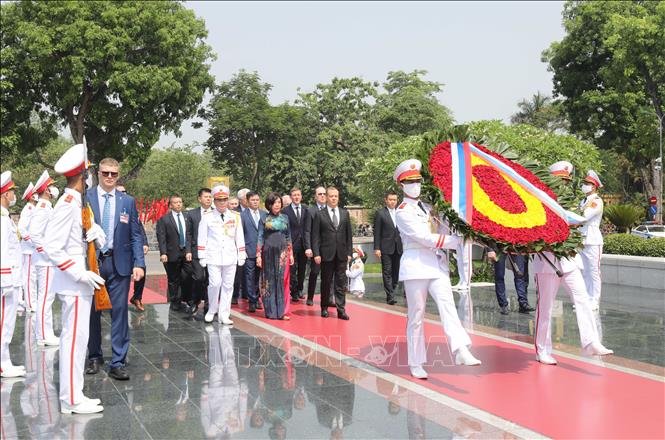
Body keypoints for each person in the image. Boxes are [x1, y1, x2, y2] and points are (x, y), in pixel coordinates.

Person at [393, 159, 481, 379]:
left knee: (447, 305)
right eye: (410, 182)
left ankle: (461, 349)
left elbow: (441, 228)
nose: (415, 185)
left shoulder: (428, 208)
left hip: (435, 264)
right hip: (415, 266)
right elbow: (424, 238)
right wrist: (455, 241)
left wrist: (458, 224)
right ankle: (416, 362)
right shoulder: (402, 211)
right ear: (401, 185)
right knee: (416, 316)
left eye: (418, 181)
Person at [45, 143, 105, 413]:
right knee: (74, 340)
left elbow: (84, 237)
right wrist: (80, 272)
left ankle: (74, 394)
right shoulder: (67, 204)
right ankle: (71, 399)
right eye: (90, 172)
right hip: (74, 283)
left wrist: (96, 234)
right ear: (84, 175)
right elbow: (51, 246)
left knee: (78, 340)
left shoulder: (79, 204)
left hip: (81, 283)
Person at [86, 158, 145, 381]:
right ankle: (94, 356)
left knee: (119, 312)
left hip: (119, 264)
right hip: (94, 263)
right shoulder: (87, 198)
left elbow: (136, 234)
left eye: (114, 174)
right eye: (105, 173)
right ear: (98, 173)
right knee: (92, 312)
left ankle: (118, 361)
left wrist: (139, 263)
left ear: (118, 175)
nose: (109, 177)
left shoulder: (127, 201)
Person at [532, 252, 613, 365]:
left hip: (568, 261)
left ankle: (591, 342)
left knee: (583, 299)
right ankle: (542, 350)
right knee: (545, 307)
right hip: (546, 265)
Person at [198, 185, 246, 324]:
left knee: (228, 285)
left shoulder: (235, 216)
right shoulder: (207, 217)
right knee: (214, 283)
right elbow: (202, 237)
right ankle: (212, 309)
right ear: (214, 201)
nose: (222, 203)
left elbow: (239, 236)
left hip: (230, 256)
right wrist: (202, 255)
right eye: (219, 200)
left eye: (224, 200)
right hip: (213, 256)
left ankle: (224, 313)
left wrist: (241, 254)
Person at [28, 170, 61, 345]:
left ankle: (46, 333)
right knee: (45, 298)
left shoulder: (46, 207)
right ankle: (43, 335)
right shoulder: (42, 208)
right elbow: (34, 234)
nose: (55, 188)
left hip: (47, 260)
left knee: (47, 297)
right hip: (45, 261)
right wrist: (48, 253)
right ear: (47, 190)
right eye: (52, 186)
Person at [1, 171, 27, 378]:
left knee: (8, 323)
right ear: (3, 194)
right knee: (4, 322)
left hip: (12, 278)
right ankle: (2, 363)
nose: (13, 195)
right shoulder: (1, 219)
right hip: (5, 280)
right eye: (11, 192)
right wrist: (6, 280)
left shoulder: (5, 218)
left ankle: (6, 361)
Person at [312, 187, 351, 320]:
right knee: (326, 282)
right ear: (327, 198)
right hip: (326, 254)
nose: (334, 198)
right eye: (331, 196)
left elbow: (348, 236)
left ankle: (341, 310)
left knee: (341, 283)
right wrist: (316, 253)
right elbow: (315, 236)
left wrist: (349, 252)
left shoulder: (344, 213)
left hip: (341, 254)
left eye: (336, 196)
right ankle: (324, 307)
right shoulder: (320, 214)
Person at [257, 192, 294, 320]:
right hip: (268, 253)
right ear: (269, 205)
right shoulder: (264, 218)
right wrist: (258, 256)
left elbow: (288, 236)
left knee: (283, 281)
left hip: (283, 253)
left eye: (279, 202)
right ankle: (271, 311)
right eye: (274, 203)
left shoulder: (285, 218)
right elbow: (260, 237)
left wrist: (291, 254)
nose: (277, 205)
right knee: (269, 282)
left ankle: (283, 312)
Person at [115, 185, 150, 313]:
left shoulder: (129, 206)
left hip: (132, 248)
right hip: (117, 250)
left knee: (141, 270)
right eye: (120, 192)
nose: (123, 194)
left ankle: (137, 297)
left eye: (124, 191)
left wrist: (144, 243)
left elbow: (138, 228)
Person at [156, 194, 193, 314]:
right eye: (176, 202)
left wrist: (188, 250)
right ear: (170, 205)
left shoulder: (187, 217)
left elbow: (189, 236)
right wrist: (163, 253)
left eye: (180, 202)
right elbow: (161, 237)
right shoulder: (164, 219)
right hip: (172, 253)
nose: (178, 204)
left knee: (188, 276)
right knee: (173, 279)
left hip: (185, 253)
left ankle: (186, 299)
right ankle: (175, 301)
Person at [185, 188, 214, 317]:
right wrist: (188, 250)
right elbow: (189, 234)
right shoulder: (192, 214)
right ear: (199, 199)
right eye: (206, 197)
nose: (208, 199)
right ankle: (195, 301)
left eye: (210, 197)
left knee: (211, 279)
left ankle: (209, 304)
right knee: (199, 277)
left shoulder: (217, 213)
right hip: (197, 251)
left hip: (213, 252)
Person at [579, 170, 604, 311]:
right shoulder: (583, 200)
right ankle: (586, 299)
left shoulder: (596, 201)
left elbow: (585, 216)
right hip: (582, 239)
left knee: (594, 271)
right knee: (585, 271)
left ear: (593, 186)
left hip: (593, 239)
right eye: (584, 183)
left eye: (587, 184)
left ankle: (594, 300)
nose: (584, 186)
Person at [373, 191, 402, 305]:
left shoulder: (400, 213)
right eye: (390, 199)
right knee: (387, 272)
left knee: (396, 272)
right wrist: (377, 248)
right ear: (386, 200)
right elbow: (377, 232)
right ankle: (390, 296)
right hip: (385, 248)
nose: (392, 202)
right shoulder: (380, 213)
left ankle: (392, 290)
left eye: (394, 200)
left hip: (398, 247)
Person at [240, 191, 267, 313]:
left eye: (257, 200)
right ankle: (252, 301)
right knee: (250, 277)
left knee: (259, 277)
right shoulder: (242, 215)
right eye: (253, 200)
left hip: (263, 251)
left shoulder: (264, 214)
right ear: (247, 201)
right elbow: (240, 234)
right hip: (249, 251)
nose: (255, 202)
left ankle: (257, 298)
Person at [486, 250, 534, 314]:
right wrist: (490, 250)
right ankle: (503, 305)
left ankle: (523, 303)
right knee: (499, 276)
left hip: (517, 244)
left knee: (520, 275)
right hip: (498, 246)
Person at [282, 187, 309, 302]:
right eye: (294, 195)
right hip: (291, 244)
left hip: (303, 244)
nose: (297, 197)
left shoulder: (306, 209)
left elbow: (307, 228)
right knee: (292, 269)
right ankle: (294, 292)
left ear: (301, 196)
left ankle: (300, 289)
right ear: (291, 197)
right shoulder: (285, 211)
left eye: (298, 195)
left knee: (302, 269)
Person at [304, 186, 327, 306]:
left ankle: (328, 298)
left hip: (329, 247)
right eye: (320, 194)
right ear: (315, 197)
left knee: (328, 275)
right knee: (314, 273)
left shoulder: (330, 209)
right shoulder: (311, 211)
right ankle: (310, 297)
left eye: (324, 194)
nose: (322, 196)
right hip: (316, 247)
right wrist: (308, 247)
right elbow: (307, 231)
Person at [18, 181, 38, 313]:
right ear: (31, 196)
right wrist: (32, 242)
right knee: (29, 278)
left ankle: (32, 302)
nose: (37, 195)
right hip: (29, 249)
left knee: (33, 277)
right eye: (35, 193)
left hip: (33, 249)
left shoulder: (34, 208)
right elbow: (22, 228)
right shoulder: (28, 209)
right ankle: (30, 304)